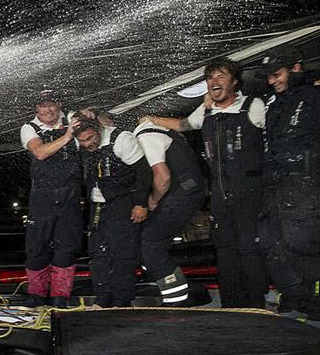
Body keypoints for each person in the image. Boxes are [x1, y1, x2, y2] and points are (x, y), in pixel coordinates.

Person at [144, 58, 269, 308]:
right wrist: (151, 120)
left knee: (249, 252)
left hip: (251, 194)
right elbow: (183, 125)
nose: (214, 82)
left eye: (221, 77)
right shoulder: (207, 109)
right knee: (225, 252)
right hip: (221, 196)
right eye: (210, 78)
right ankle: (231, 307)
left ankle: (256, 307)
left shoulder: (253, 106)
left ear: (234, 82)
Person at [258, 47, 320, 329]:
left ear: (295, 68)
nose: (271, 81)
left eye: (276, 75)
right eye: (268, 77)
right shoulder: (274, 103)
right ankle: (294, 300)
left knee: (307, 247)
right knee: (274, 246)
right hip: (278, 185)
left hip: (310, 183)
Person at [73, 110, 151, 307]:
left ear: (99, 129)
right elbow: (74, 114)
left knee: (122, 253)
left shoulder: (122, 139)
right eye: (82, 141)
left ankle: (122, 302)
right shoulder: (81, 141)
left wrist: (140, 203)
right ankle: (102, 300)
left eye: (90, 138)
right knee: (98, 253)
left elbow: (143, 172)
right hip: (98, 205)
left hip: (123, 202)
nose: (87, 144)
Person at [133, 111, 205, 305]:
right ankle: (160, 281)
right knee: (158, 239)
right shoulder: (164, 130)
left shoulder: (145, 136)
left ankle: (175, 298)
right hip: (192, 190)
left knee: (149, 242)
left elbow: (162, 176)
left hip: (180, 194)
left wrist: (152, 201)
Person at [19, 90, 83, 308]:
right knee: (37, 246)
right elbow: (40, 153)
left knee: (67, 245)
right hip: (42, 195)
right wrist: (68, 136)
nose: (47, 110)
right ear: (36, 108)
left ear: (59, 105)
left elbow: (99, 122)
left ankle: (60, 297)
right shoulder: (29, 128)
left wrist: (91, 114)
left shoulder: (72, 119)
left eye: (51, 105)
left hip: (70, 194)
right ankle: (36, 295)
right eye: (42, 106)